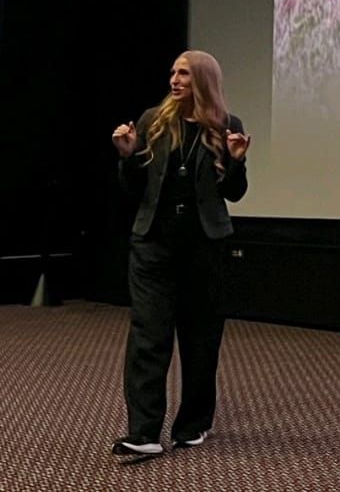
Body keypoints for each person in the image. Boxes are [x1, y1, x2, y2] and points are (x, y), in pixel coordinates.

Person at [110, 49, 251, 459]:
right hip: (153, 245)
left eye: (184, 74)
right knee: (148, 336)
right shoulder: (153, 120)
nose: (174, 79)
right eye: (172, 71)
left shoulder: (228, 126)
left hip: (205, 247)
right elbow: (134, 189)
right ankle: (144, 431)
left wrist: (237, 162)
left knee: (201, 339)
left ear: (203, 80)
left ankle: (194, 423)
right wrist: (127, 156)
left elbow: (234, 193)